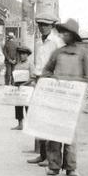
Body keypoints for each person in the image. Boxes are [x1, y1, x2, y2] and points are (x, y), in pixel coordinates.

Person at [41, 18, 88, 176]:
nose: (63, 35)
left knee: (71, 133)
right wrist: (53, 80)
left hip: (74, 99)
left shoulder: (83, 53)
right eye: (62, 32)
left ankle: (71, 167)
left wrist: (77, 86)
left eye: (66, 33)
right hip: (58, 97)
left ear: (73, 35)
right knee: (55, 132)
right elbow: (46, 71)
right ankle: (54, 165)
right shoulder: (57, 53)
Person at [26, 12, 65, 166]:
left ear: (52, 26)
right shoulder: (39, 42)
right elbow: (39, 64)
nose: (42, 28)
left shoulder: (56, 42)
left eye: (46, 25)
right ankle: (42, 155)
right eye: (40, 25)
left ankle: (50, 157)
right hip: (40, 81)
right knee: (39, 119)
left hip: (51, 82)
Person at [11, 43, 36, 130]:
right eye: (20, 54)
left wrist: (24, 84)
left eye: (24, 54)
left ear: (27, 55)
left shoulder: (30, 64)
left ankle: (30, 125)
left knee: (28, 107)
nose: (22, 56)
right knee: (18, 106)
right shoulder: (17, 65)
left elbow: (33, 77)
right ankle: (20, 124)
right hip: (18, 87)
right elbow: (14, 76)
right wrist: (13, 84)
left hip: (28, 87)